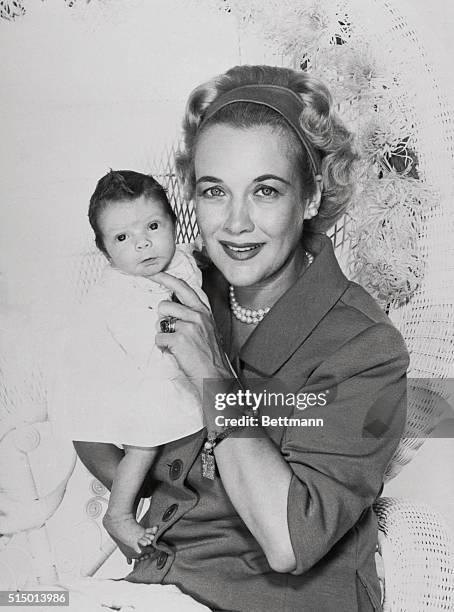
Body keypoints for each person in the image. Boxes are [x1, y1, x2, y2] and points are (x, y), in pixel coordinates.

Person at [74, 65, 409, 612]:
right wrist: (142, 486)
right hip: (157, 588)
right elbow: (89, 419)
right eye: (214, 192)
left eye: (266, 191)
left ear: (309, 196)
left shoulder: (366, 346)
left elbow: (289, 540)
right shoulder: (178, 285)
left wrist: (211, 375)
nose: (234, 223)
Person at [50, 170, 206, 560]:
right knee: (145, 435)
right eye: (123, 238)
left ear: (173, 222)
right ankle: (118, 513)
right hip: (125, 374)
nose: (143, 244)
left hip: (165, 364)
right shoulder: (119, 291)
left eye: (153, 226)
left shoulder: (183, 259)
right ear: (105, 251)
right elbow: (148, 348)